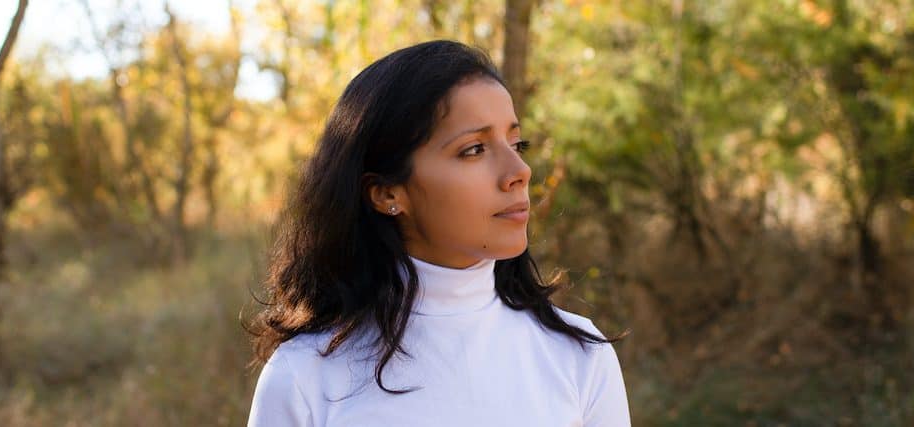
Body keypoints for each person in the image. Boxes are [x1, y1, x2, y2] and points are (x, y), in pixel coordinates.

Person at [246, 40, 630, 426]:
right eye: (474, 149)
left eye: (517, 144)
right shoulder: (303, 377)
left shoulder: (579, 356)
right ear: (387, 193)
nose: (520, 171)